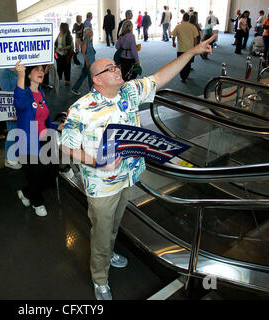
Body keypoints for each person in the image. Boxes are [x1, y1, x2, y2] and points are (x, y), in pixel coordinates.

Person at [61, 36, 216, 301]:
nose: (116, 69)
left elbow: (161, 76)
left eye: (115, 66)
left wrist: (192, 51)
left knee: (114, 224)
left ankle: (109, 254)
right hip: (101, 184)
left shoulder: (130, 92)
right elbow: (66, 147)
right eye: (109, 68)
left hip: (126, 177)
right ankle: (100, 277)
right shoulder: (81, 109)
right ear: (97, 80)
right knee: (100, 231)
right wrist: (97, 161)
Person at [13, 62, 64, 217]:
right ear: (29, 75)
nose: (41, 71)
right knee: (35, 175)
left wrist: (56, 127)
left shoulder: (41, 93)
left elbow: (45, 120)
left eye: (42, 69)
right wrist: (20, 76)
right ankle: (37, 202)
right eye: (37, 69)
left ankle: (26, 192)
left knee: (51, 173)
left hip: (45, 141)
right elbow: (19, 103)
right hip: (28, 143)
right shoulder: (25, 93)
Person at [0, 68, 22, 170]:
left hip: (20, 105)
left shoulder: (18, 69)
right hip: (12, 107)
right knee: (13, 131)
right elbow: (7, 93)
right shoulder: (4, 72)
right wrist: (12, 111)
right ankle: (9, 160)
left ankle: (14, 155)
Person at [171, 13, 199, 82]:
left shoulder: (178, 26)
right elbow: (195, 38)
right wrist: (195, 47)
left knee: (181, 63)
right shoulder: (193, 27)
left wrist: (173, 42)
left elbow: (173, 35)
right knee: (188, 63)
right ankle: (186, 75)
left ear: (183, 18)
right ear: (188, 19)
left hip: (181, 48)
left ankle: (182, 77)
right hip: (190, 49)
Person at [71, 27, 96, 96]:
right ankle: (92, 91)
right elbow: (83, 53)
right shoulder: (85, 41)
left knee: (83, 76)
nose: (92, 33)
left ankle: (75, 88)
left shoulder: (89, 40)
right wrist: (87, 62)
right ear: (88, 33)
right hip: (88, 62)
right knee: (90, 77)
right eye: (91, 32)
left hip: (90, 61)